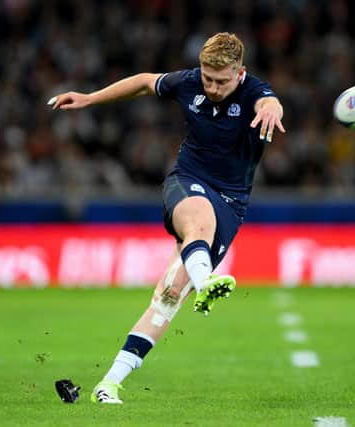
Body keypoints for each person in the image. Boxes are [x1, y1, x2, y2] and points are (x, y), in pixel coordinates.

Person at [49, 32, 285, 404]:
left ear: (241, 73)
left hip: (232, 202)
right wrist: (91, 98)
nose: (212, 87)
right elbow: (145, 82)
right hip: (187, 180)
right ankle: (206, 279)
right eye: (207, 78)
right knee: (198, 224)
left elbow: (270, 102)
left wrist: (273, 108)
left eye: (222, 81)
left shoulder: (256, 92)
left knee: (171, 294)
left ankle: (107, 384)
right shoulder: (188, 82)